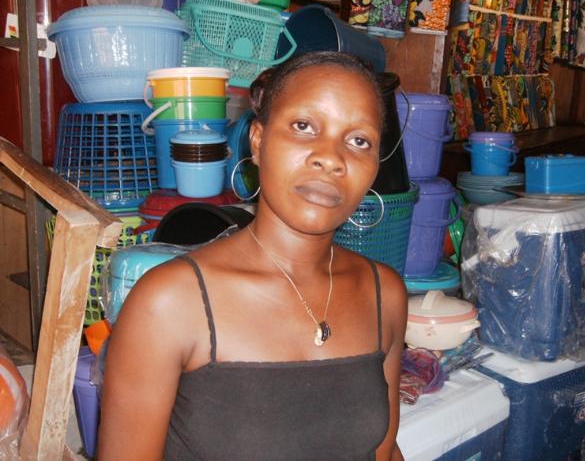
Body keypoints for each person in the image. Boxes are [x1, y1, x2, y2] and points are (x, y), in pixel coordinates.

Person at [98, 51, 408, 461]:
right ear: (258, 142)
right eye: (304, 126)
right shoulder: (170, 302)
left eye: (359, 141)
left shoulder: (383, 293)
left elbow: (383, 452)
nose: (331, 158)